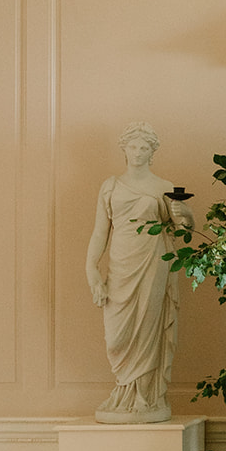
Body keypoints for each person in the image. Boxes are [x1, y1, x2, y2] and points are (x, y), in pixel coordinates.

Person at [86, 123, 192, 423]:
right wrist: (91, 269)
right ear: (124, 149)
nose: (137, 152)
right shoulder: (110, 186)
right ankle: (123, 390)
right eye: (132, 146)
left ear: (152, 152)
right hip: (121, 261)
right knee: (116, 333)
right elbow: (99, 234)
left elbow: (182, 228)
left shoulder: (163, 187)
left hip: (152, 260)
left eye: (144, 147)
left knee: (147, 325)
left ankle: (145, 395)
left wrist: (186, 215)